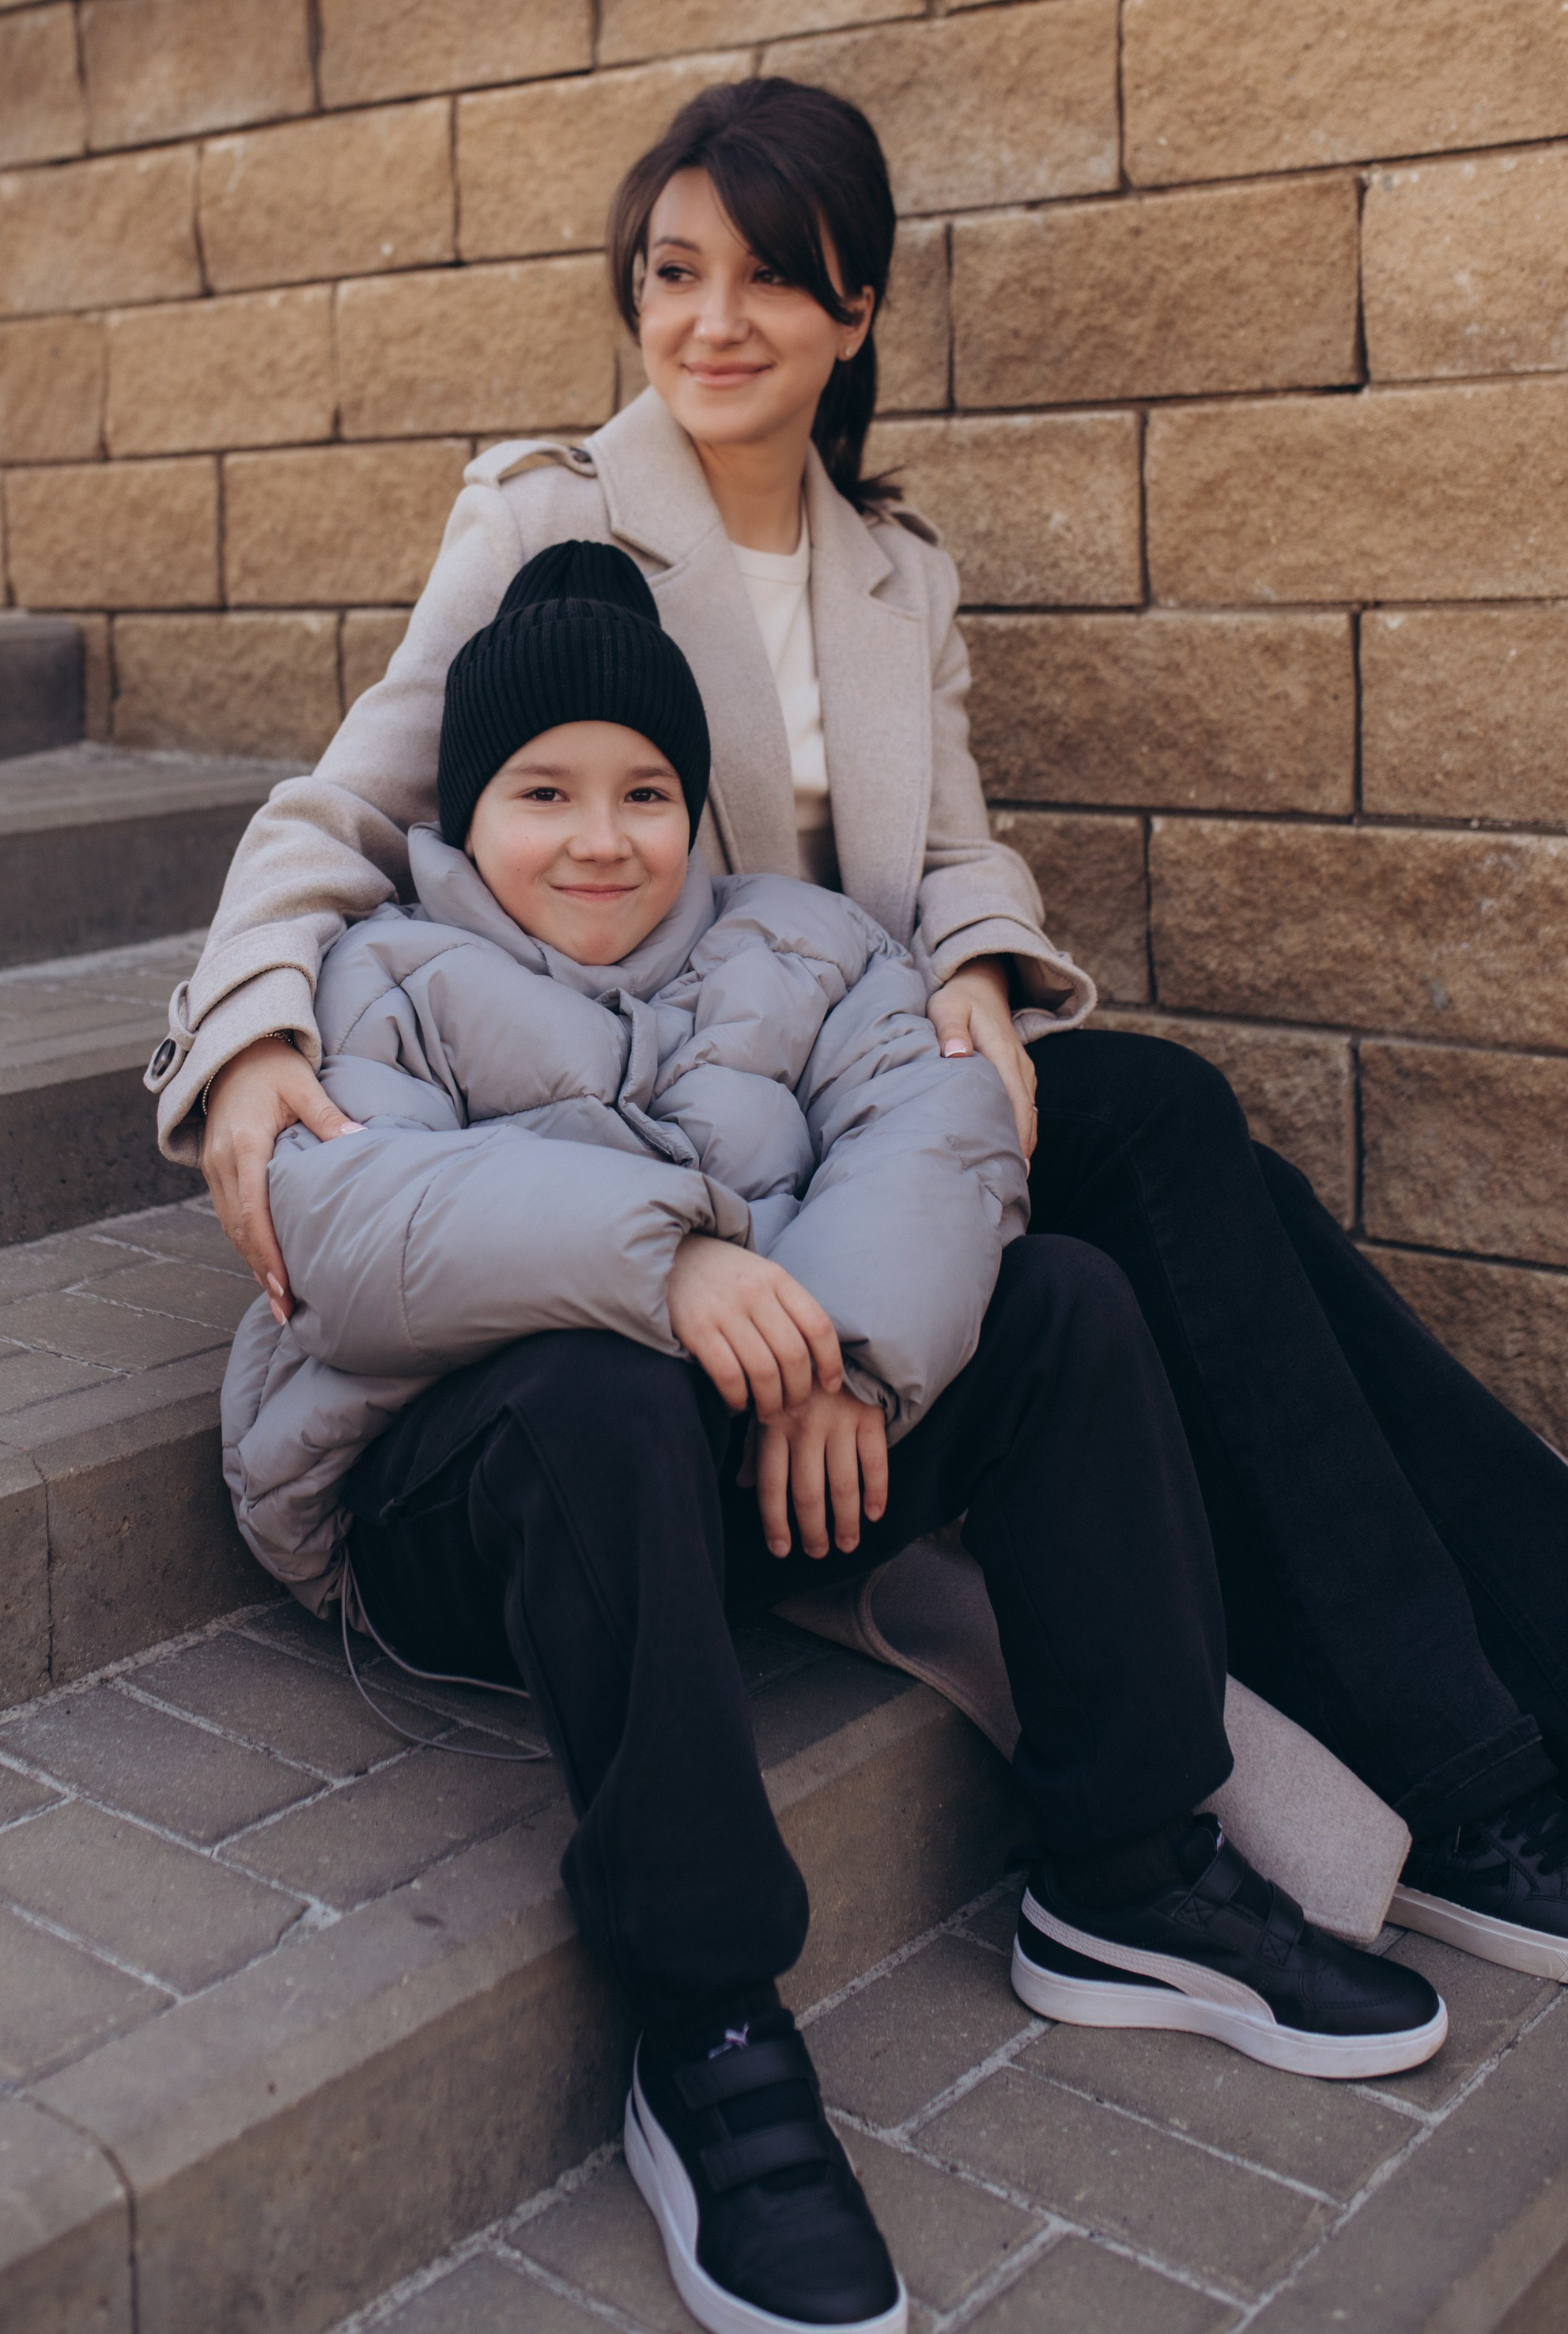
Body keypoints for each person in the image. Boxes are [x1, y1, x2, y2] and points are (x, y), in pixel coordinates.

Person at [148, 72, 1568, 1991]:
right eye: (668, 272)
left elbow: (959, 852)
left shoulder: (894, 569)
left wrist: (977, 971)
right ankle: (1461, 1756)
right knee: (1161, 1154)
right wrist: (240, 1037)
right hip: (663, 1127)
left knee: (1172, 1133)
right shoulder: (546, 518)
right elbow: (346, 806)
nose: (707, 321)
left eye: (763, 278)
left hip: (854, 1078)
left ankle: (1493, 1707)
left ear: (855, 312)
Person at [216, 538, 1445, 2334]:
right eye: (540, 791)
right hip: (457, 1515)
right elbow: (348, 1234)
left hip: (767, 1466)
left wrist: (847, 1367)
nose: (599, 836)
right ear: (463, 807)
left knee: (1069, 1304)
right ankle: (704, 2025)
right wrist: (679, 1268)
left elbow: (941, 1143)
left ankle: (1127, 1869)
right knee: (598, 1386)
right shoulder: (377, 975)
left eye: (645, 790)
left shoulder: (804, 945)